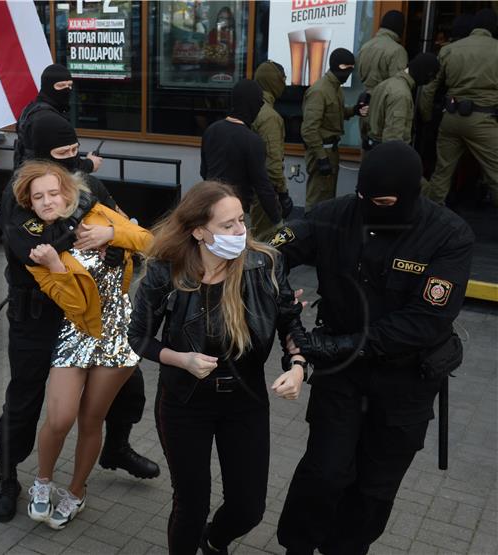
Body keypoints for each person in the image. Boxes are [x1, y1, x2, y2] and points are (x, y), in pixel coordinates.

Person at [273, 141, 474, 555]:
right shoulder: (336, 215)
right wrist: (279, 300)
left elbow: (424, 321)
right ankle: (297, 545)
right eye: (365, 198)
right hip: (342, 374)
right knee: (325, 472)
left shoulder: (448, 235)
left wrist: (333, 346)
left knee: (374, 488)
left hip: (405, 381)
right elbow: (271, 249)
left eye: (380, 202)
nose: (369, 208)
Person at [0, 114, 159, 524]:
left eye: (74, 152)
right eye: (61, 154)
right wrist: (83, 222)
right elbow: (38, 246)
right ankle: (8, 474)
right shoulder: (22, 194)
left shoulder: (89, 187)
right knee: (25, 400)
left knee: (129, 389)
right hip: (38, 316)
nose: (71, 162)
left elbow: (132, 231)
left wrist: (113, 238)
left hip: (93, 317)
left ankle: (115, 448)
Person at [128, 180, 307, 554]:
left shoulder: (264, 264)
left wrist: (298, 365)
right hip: (185, 401)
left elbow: (290, 321)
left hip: (245, 401)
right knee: (190, 505)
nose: (241, 231)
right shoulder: (167, 272)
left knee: (249, 508)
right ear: (198, 231)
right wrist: (181, 359)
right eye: (228, 226)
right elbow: (139, 337)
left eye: (242, 220)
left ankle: (215, 540)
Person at [419, 8, 498, 206]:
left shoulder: (448, 50)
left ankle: (431, 222)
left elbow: (429, 90)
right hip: (483, 120)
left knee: (441, 174)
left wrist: (428, 118)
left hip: (451, 120)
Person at [200, 79, 282, 230]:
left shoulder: (211, 130)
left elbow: (204, 172)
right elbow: (262, 187)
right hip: (236, 215)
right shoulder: (252, 141)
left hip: (209, 207)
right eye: (259, 104)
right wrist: (278, 221)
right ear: (252, 105)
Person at [301, 48, 367, 211]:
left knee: (328, 198)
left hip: (331, 151)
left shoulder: (335, 87)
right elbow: (309, 129)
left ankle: (323, 231)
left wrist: (354, 110)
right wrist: (322, 158)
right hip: (321, 152)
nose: (350, 75)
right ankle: (310, 229)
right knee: (317, 197)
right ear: (340, 68)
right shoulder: (319, 91)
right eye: (348, 70)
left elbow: (335, 113)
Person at [13, 63, 102, 173]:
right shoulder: (52, 121)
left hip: (25, 177)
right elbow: (68, 167)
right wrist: (90, 164)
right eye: (61, 86)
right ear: (48, 86)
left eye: (70, 86)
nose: (67, 90)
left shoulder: (28, 111)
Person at [252, 60, 293, 240]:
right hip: (264, 190)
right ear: (273, 81)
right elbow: (273, 163)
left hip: (250, 185)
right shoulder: (269, 116)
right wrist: (283, 193)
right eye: (282, 78)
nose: (284, 83)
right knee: (266, 241)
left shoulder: (251, 107)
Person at [366, 53, 440, 148]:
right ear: (425, 73)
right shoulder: (401, 94)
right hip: (387, 152)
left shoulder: (385, 84)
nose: (430, 81)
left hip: (374, 145)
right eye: (431, 76)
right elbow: (393, 137)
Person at [356, 10, 409, 145]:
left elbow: (361, 75)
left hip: (365, 104)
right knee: (385, 151)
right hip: (383, 108)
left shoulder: (365, 46)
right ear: (400, 28)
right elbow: (397, 85)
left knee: (367, 148)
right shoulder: (397, 50)